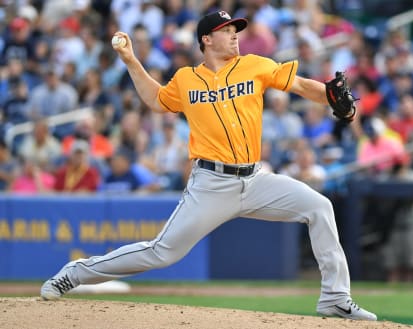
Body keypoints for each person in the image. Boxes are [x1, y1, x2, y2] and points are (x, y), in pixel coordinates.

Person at [40, 11, 376, 321]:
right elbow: (157, 100)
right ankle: (77, 272)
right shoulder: (186, 79)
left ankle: (335, 296)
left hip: (256, 178)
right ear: (206, 39)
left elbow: (302, 85)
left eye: (235, 30)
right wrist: (130, 60)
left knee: (319, 206)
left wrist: (335, 102)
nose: (234, 35)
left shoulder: (254, 65)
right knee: (162, 253)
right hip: (211, 184)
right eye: (226, 30)